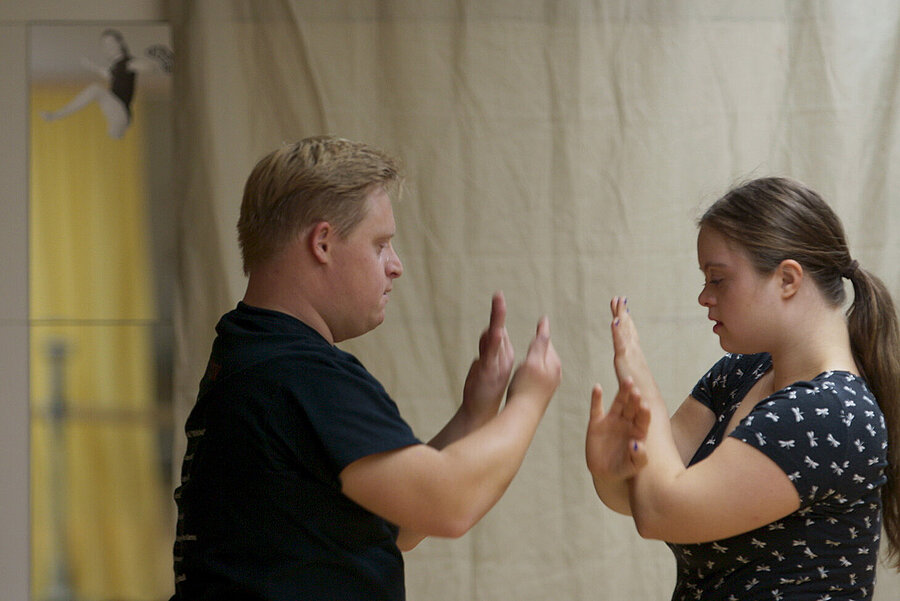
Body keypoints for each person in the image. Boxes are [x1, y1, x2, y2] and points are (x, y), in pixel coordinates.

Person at [170, 135, 562, 600]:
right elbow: (447, 505)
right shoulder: (299, 373)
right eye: (381, 244)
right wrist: (531, 398)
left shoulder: (250, 352)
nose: (396, 266)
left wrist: (476, 412)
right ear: (322, 242)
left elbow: (399, 521)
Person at [586, 177, 899, 600]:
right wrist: (610, 470)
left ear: (788, 279)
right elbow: (642, 490)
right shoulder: (739, 373)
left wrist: (640, 379)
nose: (703, 297)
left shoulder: (828, 413)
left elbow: (662, 510)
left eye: (717, 279)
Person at [41, 29, 172, 139]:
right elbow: (108, 74)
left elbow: (141, 66)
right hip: (117, 112)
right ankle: (116, 133)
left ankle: (56, 115)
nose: (108, 47)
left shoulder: (127, 63)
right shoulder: (117, 67)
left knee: (95, 89)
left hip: (120, 109)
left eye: (110, 43)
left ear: (120, 43)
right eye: (104, 44)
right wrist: (91, 66)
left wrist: (156, 64)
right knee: (113, 136)